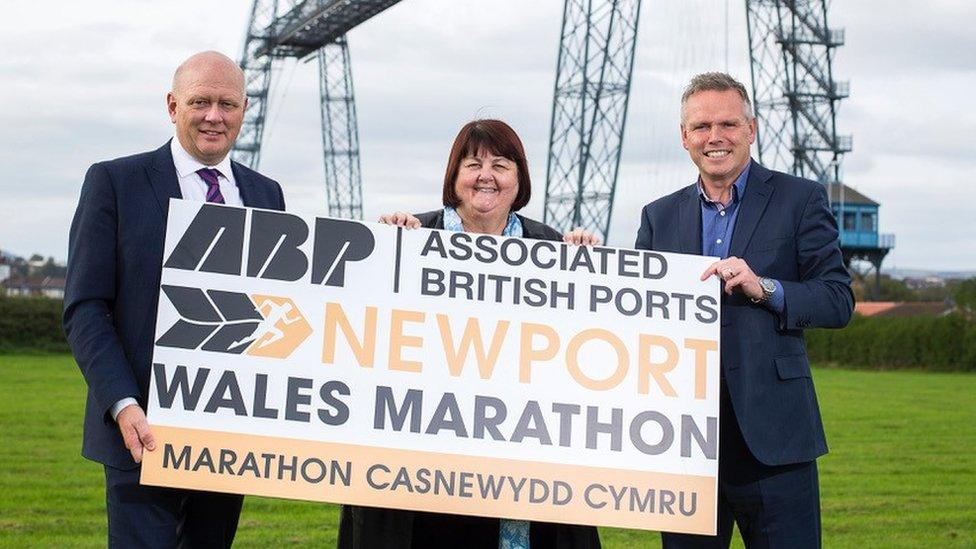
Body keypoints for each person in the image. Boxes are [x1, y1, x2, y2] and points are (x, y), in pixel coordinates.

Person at [338, 119, 601, 548]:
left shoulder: (553, 247)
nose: (486, 175)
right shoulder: (410, 236)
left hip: (521, 451)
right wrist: (386, 246)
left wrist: (588, 267)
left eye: (501, 164)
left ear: (519, 179)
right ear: (454, 175)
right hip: (421, 452)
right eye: (473, 163)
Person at [62, 51, 285, 548]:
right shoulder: (114, 183)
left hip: (227, 439)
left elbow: (278, 309)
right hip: (139, 433)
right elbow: (85, 308)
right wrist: (123, 404)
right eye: (200, 102)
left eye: (227, 104)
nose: (214, 116)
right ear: (172, 105)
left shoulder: (267, 194)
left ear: (244, 109)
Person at [635, 72, 854, 548]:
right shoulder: (658, 216)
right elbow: (634, 318)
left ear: (751, 129)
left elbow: (838, 299)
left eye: (729, 124)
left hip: (776, 442)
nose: (715, 137)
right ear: (684, 137)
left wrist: (766, 288)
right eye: (701, 127)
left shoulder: (801, 199)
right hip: (683, 447)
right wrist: (580, 260)